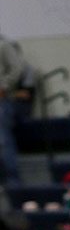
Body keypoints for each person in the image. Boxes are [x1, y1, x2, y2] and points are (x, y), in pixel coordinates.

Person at [0, 33, 25, 185]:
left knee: (3, 141)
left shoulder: (4, 45)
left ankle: (13, 182)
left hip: (2, 101)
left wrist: (4, 86)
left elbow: (17, 68)